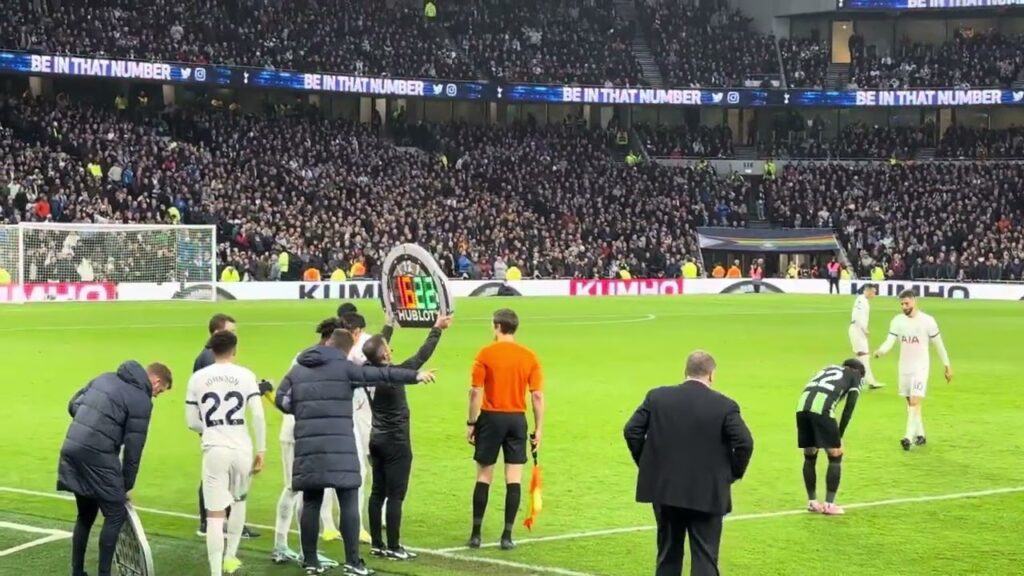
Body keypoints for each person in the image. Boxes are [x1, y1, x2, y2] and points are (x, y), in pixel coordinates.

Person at [276, 329, 435, 576]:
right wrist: (415, 376)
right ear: (348, 349)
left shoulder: (298, 369)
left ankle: (310, 562)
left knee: (311, 501)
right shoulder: (346, 369)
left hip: (309, 446)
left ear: (327, 343)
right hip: (340, 445)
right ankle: (352, 562)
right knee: (348, 499)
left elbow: (281, 400)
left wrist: (303, 409)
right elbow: (382, 374)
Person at [623, 351, 753, 576]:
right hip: (707, 492)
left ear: (686, 372)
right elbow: (744, 442)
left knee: (667, 554)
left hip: (665, 490)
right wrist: (731, 473)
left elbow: (631, 430)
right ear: (711, 375)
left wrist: (648, 465)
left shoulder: (657, 397)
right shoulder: (725, 406)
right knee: (705, 556)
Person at [58, 360, 173, 576]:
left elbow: (73, 405)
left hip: (72, 447)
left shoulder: (104, 377)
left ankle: (77, 572)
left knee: (85, 514)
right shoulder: (141, 400)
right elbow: (133, 449)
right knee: (115, 513)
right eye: (161, 390)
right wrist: (125, 486)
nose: (157, 394)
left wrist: (92, 422)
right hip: (97, 454)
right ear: (156, 380)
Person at [364, 313, 452, 559]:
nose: (389, 347)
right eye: (387, 347)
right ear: (385, 355)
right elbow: (421, 356)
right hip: (396, 442)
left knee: (377, 492)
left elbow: (375, 348)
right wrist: (437, 329)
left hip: (376, 438)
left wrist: (388, 326)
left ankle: (377, 544)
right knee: (395, 495)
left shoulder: (366, 371)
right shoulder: (394, 374)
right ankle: (394, 547)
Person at [186, 331, 267, 576]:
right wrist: (261, 448)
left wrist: (210, 428)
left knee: (214, 514)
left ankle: (215, 572)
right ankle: (231, 556)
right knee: (239, 501)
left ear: (212, 350)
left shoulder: (198, 378)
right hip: (242, 448)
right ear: (235, 350)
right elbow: (258, 416)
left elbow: (191, 422)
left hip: (214, 450)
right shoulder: (246, 375)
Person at [466, 309, 544, 551]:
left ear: (498, 326)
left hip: (491, 418)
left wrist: (471, 422)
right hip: (516, 420)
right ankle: (507, 536)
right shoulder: (529, 356)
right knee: (514, 479)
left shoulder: (485, 353)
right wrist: (538, 428)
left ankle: (476, 535)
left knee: (483, 477)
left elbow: (475, 391)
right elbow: (538, 396)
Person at [273, 318, 344, 567]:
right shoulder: (320, 360)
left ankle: (283, 546)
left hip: (295, 429)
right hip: (303, 431)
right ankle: (300, 550)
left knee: (294, 488)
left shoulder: (302, 356)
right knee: (302, 490)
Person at [193, 314, 260, 539]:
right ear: (217, 333)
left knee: (215, 472)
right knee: (219, 474)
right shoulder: (209, 359)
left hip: (213, 425)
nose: (235, 335)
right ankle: (218, 522)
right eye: (231, 331)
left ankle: (216, 520)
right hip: (218, 427)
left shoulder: (205, 357)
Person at [874, 289, 953, 451]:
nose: (904, 307)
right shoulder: (897, 321)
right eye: (902, 304)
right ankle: (920, 435)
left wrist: (947, 366)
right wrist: (881, 351)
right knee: (911, 403)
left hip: (920, 366)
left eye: (906, 303)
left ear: (914, 301)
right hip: (904, 367)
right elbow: (890, 340)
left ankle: (907, 437)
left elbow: (939, 345)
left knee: (915, 401)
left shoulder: (928, 321)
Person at [796, 359, 866, 516]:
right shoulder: (856, 375)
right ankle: (829, 505)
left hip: (802, 407)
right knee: (836, 454)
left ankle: (813, 502)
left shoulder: (828, 368)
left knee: (810, 455)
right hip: (822, 410)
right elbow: (849, 407)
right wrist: (839, 435)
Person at [340, 311, 374, 544]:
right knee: (358, 470)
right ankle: (356, 525)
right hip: (352, 411)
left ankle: (375, 514)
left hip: (368, 409)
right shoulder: (341, 349)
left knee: (372, 463)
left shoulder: (367, 344)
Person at [849, 284, 884, 389]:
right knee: (864, 355)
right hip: (857, 329)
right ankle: (871, 382)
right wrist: (864, 328)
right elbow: (856, 316)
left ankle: (858, 380)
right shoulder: (861, 300)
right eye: (874, 292)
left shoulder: (863, 300)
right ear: (867, 291)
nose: (875, 294)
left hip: (857, 329)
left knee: (860, 356)